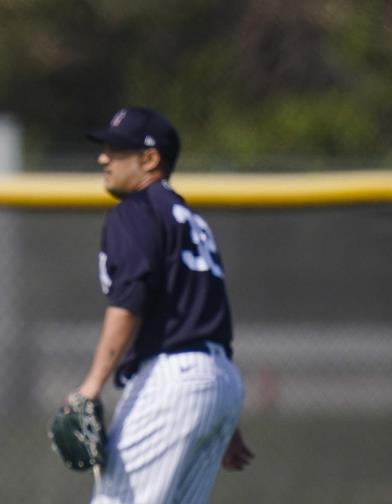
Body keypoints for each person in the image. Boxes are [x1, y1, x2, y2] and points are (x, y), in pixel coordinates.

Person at [73, 107, 254, 503]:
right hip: (218, 379)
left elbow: (129, 300)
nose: (104, 158)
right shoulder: (191, 220)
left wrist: (91, 388)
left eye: (117, 150)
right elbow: (208, 314)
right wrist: (220, 410)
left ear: (150, 159)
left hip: (172, 380)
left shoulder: (135, 211)